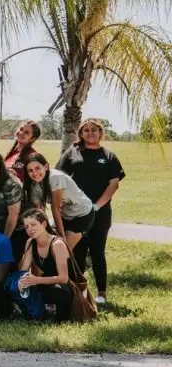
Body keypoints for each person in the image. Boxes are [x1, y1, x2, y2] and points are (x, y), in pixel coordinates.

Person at [56, 118, 125, 305]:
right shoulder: (72, 153)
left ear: (100, 133)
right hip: (76, 214)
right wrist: (63, 202)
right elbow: (58, 178)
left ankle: (101, 294)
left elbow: (114, 184)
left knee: (97, 252)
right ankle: (77, 290)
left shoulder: (109, 156)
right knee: (76, 252)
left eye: (94, 130)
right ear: (81, 133)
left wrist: (96, 206)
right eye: (86, 130)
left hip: (100, 213)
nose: (90, 133)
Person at [23, 153, 95, 270]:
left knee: (62, 253)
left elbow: (55, 208)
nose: (35, 173)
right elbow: (40, 213)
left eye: (37, 168)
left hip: (82, 214)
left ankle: (71, 285)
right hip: (64, 215)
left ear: (46, 167)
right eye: (30, 170)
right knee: (48, 252)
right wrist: (43, 233)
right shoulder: (34, 186)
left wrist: (61, 236)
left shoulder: (55, 177)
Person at [17, 208, 75, 321]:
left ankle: (61, 316)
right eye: (26, 227)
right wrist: (22, 280)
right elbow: (23, 270)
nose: (30, 229)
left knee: (58, 290)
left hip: (64, 288)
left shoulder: (57, 244)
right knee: (16, 286)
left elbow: (64, 278)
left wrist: (36, 280)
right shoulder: (30, 242)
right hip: (46, 283)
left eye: (33, 224)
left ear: (43, 224)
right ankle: (39, 313)